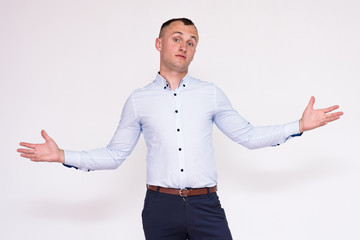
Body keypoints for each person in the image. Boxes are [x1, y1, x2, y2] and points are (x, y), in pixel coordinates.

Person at [17, 18, 343, 240]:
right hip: (160, 207)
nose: (184, 46)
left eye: (191, 41)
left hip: (206, 206)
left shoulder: (210, 93)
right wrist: (62, 155)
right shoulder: (139, 100)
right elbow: (116, 155)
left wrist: (299, 125)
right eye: (177, 39)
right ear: (159, 44)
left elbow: (247, 136)